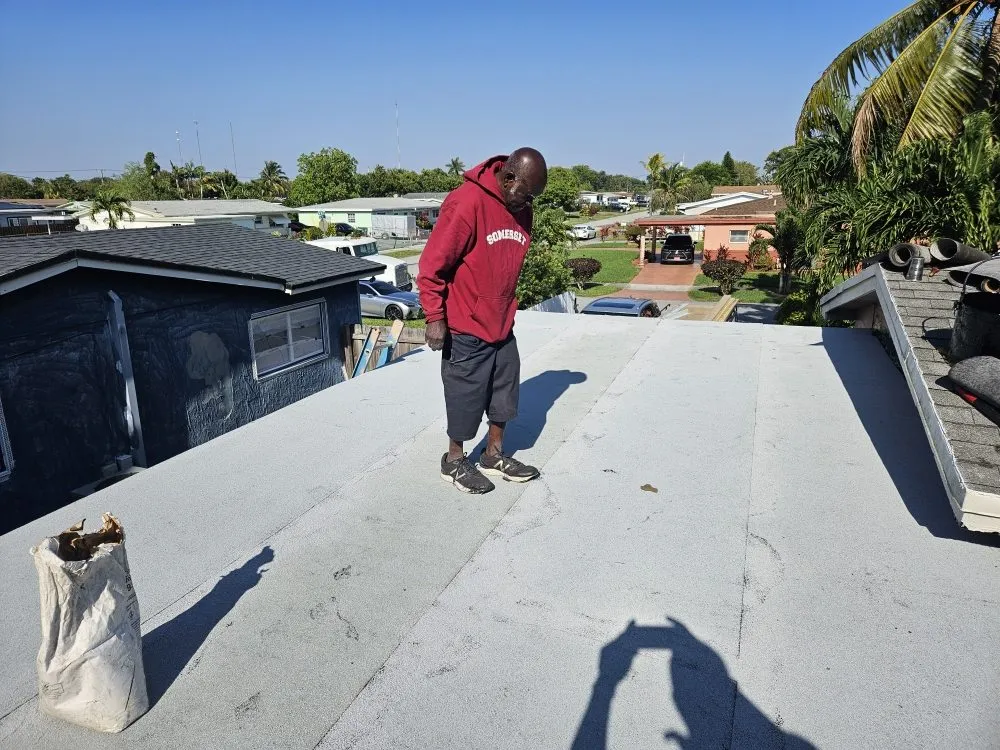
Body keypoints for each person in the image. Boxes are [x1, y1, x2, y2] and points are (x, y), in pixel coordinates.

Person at [417, 148, 549, 494]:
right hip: (465, 324)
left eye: (533, 197)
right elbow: (431, 267)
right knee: (464, 396)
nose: (528, 203)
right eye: (525, 193)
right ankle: (454, 461)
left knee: (505, 394)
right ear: (508, 178)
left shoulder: (522, 208)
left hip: (502, 323)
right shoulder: (467, 202)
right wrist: (435, 316)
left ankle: (493, 455)